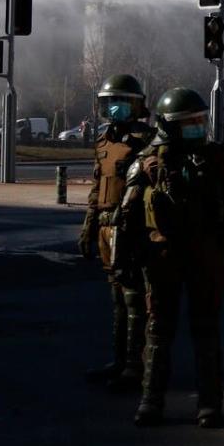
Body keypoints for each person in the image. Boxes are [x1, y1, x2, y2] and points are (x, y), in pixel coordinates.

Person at [120, 87, 224, 428]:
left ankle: (210, 404)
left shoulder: (216, 159)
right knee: (158, 331)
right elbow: (127, 215)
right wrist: (124, 261)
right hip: (162, 258)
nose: (197, 127)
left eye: (200, 120)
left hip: (205, 257)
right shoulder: (146, 162)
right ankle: (151, 401)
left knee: (206, 330)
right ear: (169, 125)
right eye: (189, 122)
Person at [77, 74, 155, 393]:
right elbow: (97, 188)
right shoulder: (104, 142)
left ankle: (135, 366)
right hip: (106, 227)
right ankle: (119, 360)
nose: (114, 108)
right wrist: (89, 226)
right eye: (110, 102)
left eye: (120, 102)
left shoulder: (146, 141)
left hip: (131, 228)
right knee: (117, 299)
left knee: (134, 297)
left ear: (136, 105)